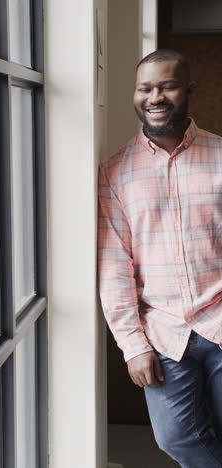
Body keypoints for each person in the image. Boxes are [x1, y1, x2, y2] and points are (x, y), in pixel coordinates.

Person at [98, 49, 222, 467]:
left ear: (188, 90)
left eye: (167, 86)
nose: (155, 97)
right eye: (145, 88)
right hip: (163, 333)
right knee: (177, 439)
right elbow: (114, 266)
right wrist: (132, 346)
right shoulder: (115, 172)